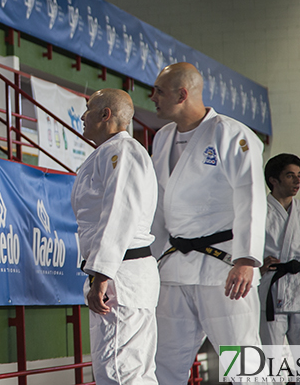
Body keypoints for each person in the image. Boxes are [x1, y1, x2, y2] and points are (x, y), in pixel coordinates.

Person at [149, 62, 266, 384]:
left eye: (159, 90)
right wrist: (151, 259)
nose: (152, 97)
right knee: (163, 361)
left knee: (243, 358)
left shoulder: (232, 134)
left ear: (182, 94)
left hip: (225, 268)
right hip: (174, 267)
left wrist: (246, 259)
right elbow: (159, 207)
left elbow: (251, 196)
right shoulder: (162, 138)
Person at [70, 88, 159, 385]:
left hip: (120, 273)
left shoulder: (122, 152)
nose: (83, 116)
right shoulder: (109, 153)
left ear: (105, 114)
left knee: (119, 371)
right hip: (125, 272)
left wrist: (101, 274)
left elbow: (119, 214)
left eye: (88, 109)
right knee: (130, 370)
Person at [259, 153, 300, 363]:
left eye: (299, 175)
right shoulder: (257, 211)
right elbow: (242, 250)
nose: (298, 181)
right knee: (268, 359)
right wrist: (257, 267)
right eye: (290, 175)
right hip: (268, 292)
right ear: (273, 179)